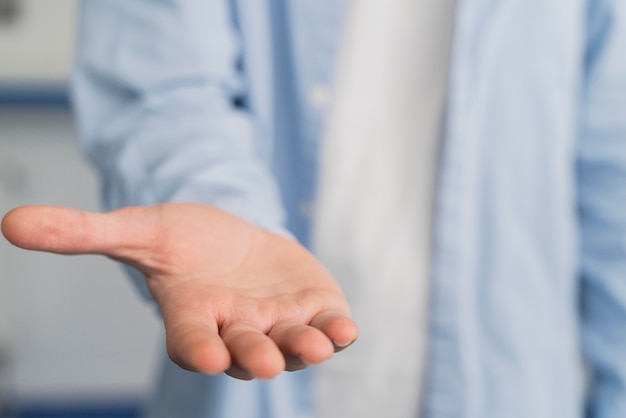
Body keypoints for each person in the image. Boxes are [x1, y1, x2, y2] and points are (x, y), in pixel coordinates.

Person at [3, 1, 626, 418]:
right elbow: (165, 95)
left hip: (514, 386)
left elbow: (612, 179)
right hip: (246, 382)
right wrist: (225, 219)